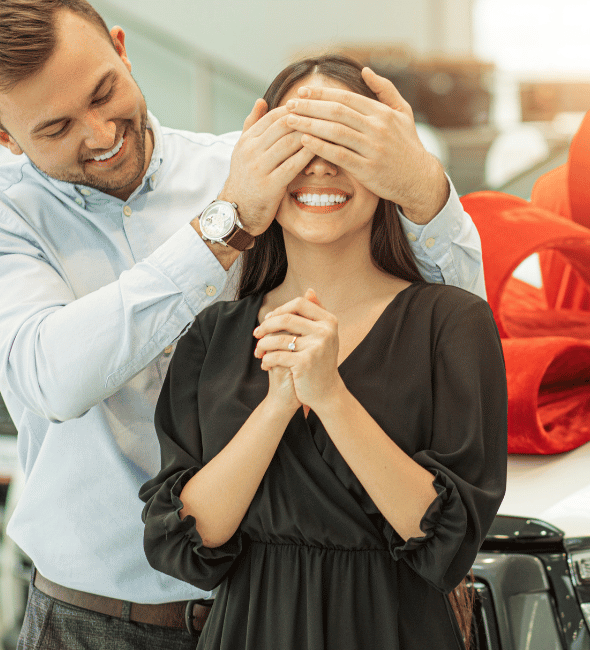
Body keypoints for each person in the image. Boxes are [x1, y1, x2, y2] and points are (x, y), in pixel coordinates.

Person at [0, 1, 483, 648]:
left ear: (121, 48)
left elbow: (439, 322)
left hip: (277, 609)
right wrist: (223, 229)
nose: (99, 133)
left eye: (104, 92)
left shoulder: (246, 167)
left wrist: (423, 190)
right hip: (95, 623)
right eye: (55, 128)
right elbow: (54, 377)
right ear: (4, 137)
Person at [139, 54, 507, 650]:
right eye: (294, 143)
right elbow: (187, 542)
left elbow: (446, 541)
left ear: (387, 158)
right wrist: (277, 404)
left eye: (344, 140)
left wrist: (331, 396)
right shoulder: (213, 334)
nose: (318, 166)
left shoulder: (453, 322)